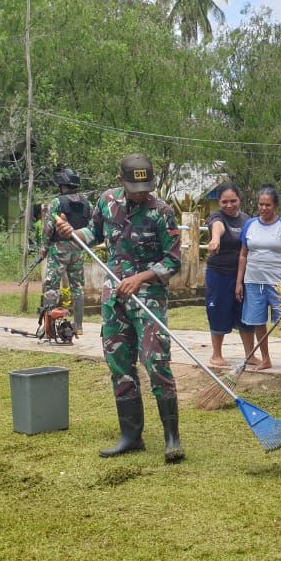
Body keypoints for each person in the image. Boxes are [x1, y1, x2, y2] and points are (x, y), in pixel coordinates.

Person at [54, 154, 184, 462]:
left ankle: (172, 438)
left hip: (148, 297)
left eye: (145, 188)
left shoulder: (162, 213)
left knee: (156, 362)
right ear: (120, 180)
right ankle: (130, 435)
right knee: (119, 365)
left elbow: (173, 260)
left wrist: (142, 277)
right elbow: (94, 234)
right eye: (134, 188)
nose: (141, 194)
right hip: (114, 298)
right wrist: (72, 233)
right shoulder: (106, 201)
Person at [237, 184, 281, 372]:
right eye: (261, 204)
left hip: (277, 282)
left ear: (275, 206)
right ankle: (265, 359)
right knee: (258, 322)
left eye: (267, 205)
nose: (263, 208)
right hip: (253, 281)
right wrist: (239, 283)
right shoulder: (250, 225)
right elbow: (243, 254)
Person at [204, 183, 253, 367]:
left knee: (244, 314)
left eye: (233, 201)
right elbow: (217, 228)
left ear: (240, 200)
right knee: (218, 311)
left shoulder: (247, 220)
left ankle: (250, 354)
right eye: (224, 201)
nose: (229, 205)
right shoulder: (217, 217)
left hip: (242, 276)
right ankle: (216, 354)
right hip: (219, 275)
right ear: (219, 202)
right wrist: (215, 240)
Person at [41, 169, 89, 333]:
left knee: (51, 286)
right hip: (78, 250)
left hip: (58, 249)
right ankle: (79, 326)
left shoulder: (57, 202)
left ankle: (48, 328)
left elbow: (48, 227)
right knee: (78, 288)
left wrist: (44, 247)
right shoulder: (86, 202)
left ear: (62, 185)